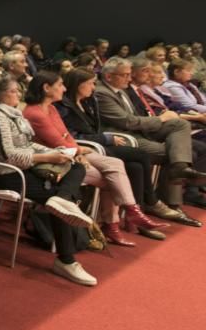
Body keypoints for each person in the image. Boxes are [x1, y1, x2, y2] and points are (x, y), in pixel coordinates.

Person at [0, 76, 99, 286]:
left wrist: (59, 152)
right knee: (56, 197)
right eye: (13, 91)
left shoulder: (12, 115)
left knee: (75, 167)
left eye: (18, 91)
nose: (18, 94)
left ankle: (63, 201)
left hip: (23, 169)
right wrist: (48, 157)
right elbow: (8, 155)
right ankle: (66, 260)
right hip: (4, 174)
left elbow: (28, 145)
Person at [23, 71, 165, 246]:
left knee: (116, 163)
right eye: (60, 85)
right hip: (53, 160)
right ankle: (114, 224)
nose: (64, 88)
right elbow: (56, 141)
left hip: (70, 153)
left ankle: (130, 211)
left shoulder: (51, 108)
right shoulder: (35, 113)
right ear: (46, 88)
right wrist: (78, 151)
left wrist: (78, 151)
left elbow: (66, 136)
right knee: (111, 179)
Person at [58, 68, 177, 236]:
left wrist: (105, 138)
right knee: (140, 155)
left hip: (97, 144)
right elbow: (71, 136)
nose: (94, 87)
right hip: (87, 146)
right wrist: (106, 138)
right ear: (78, 85)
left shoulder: (89, 101)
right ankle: (147, 204)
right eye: (91, 83)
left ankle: (133, 218)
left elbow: (94, 129)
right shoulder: (63, 106)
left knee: (135, 166)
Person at [95, 57, 206, 222]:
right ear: (109, 76)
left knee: (179, 124)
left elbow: (137, 118)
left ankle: (180, 168)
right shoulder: (103, 93)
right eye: (124, 75)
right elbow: (127, 122)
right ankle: (168, 203)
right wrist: (160, 120)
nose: (129, 77)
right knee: (174, 153)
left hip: (140, 130)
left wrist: (163, 119)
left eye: (128, 74)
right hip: (124, 137)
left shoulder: (121, 89)